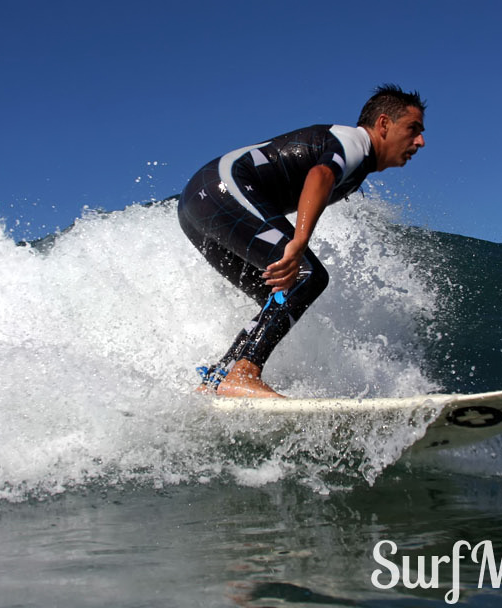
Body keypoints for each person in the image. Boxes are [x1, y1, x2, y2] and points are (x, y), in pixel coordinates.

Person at [177, 84, 426, 398]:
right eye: (413, 129)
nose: (420, 141)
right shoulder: (355, 142)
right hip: (220, 188)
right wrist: (299, 241)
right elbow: (320, 175)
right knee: (309, 275)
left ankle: (218, 378)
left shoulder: (357, 160)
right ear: (384, 125)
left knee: (277, 295)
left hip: (195, 208)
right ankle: (245, 373)